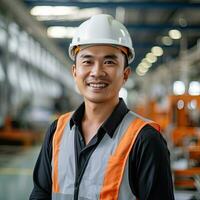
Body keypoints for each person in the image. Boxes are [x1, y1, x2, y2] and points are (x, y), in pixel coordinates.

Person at [30, 14, 175, 200]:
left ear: (125, 74)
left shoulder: (145, 140)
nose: (97, 72)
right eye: (87, 61)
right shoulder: (57, 131)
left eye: (109, 62)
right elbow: (40, 193)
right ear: (75, 72)